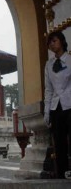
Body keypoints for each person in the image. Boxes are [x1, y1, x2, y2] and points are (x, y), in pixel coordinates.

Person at [44, 31, 71, 179]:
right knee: (59, 142)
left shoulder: (70, 61)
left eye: (54, 41)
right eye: (50, 42)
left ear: (61, 41)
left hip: (70, 105)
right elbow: (48, 89)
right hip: (56, 107)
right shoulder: (49, 65)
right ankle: (62, 172)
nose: (52, 44)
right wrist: (47, 112)